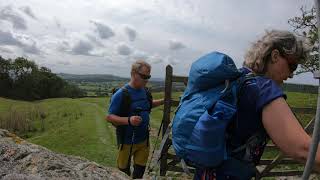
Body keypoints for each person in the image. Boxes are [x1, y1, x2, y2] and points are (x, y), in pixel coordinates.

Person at [194, 30, 320, 179]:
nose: (292, 74)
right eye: (292, 66)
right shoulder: (264, 89)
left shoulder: (238, 79)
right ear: (275, 56)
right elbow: (305, 150)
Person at [106, 60, 164, 179]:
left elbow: (148, 104)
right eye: (143, 76)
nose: (146, 79)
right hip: (127, 142)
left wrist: (163, 101)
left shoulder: (145, 92)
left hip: (143, 141)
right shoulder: (122, 94)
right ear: (133, 73)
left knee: (139, 173)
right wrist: (129, 120)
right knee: (123, 173)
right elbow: (109, 117)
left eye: (148, 76)